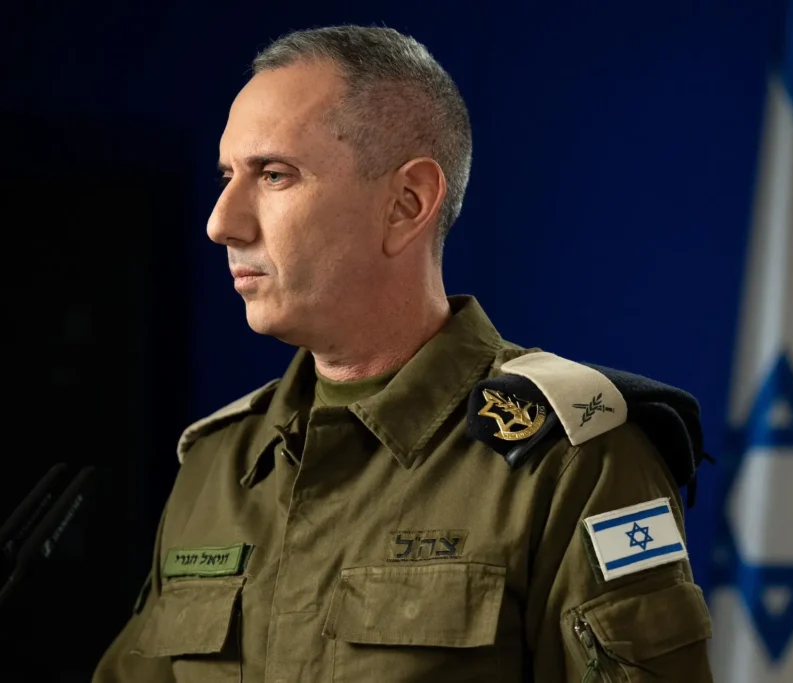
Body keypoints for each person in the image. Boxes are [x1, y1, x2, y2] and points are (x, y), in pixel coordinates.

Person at [92, 25, 714, 683]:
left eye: (274, 174)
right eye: (227, 176)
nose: (222, 222)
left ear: (407, 204)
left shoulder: (571, 461)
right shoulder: (217, 465)